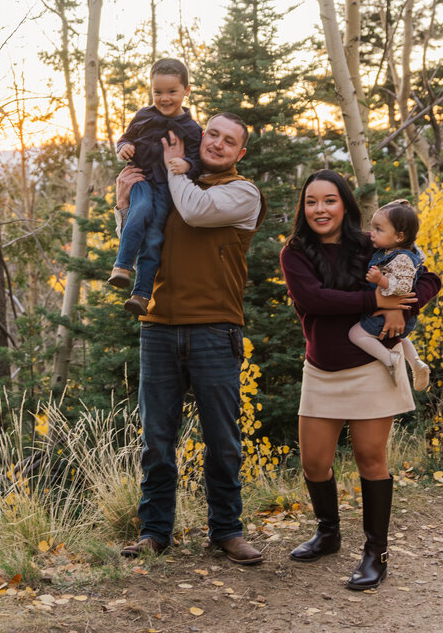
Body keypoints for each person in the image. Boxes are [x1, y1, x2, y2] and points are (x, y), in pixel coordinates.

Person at [115, 112, 267, 565]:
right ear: (202, 137)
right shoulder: (168, 184)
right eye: (213, 134)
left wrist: (177, 169)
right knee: (156, 440)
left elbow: (196, 212)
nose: (217, 144)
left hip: (215, 328)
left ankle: (227, 530)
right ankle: (155, 532)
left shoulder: (242, 193)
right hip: (158, 326)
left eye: (229, 141)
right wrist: (125, 205)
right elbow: (135, 242)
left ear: (240, 153)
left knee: (222, 439)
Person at [278, 170, 440, 590]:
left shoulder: (370, 242)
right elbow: (313, 299)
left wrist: (401, 308)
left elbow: (429, 278)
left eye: (329, 200)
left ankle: (375, 553)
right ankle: (328, 533)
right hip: (321, 369)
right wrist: (377, 300)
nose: (320, 209)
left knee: (371, 459)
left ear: (344, 204)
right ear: (303, 208)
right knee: (315, 463)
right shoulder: (294, 253)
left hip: (372, 366)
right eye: (312, 201)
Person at [109, 58, 203, 316]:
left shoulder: (192, 129)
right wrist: (123, 148)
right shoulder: (144, 116)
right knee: (138, 212)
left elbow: (197, 161)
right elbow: (125, 138)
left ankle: (140, 295)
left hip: (167, 192)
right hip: (142, 180)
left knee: (153, 240)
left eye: (172, 92)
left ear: (186, 90)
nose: (164, 98)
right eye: (157, 92)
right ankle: (122, 266)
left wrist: (186, 165)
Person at [348, 199, 432, 392]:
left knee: (356, 334)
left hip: (388, 313)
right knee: (401, 338)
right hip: (404, 317)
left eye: (378, 229)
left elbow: (403, 286)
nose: (372, 234)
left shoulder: (402, 258)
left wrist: (381, 281)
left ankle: (390, 360)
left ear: (399, 236)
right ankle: (417, 363)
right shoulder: (401, 249)